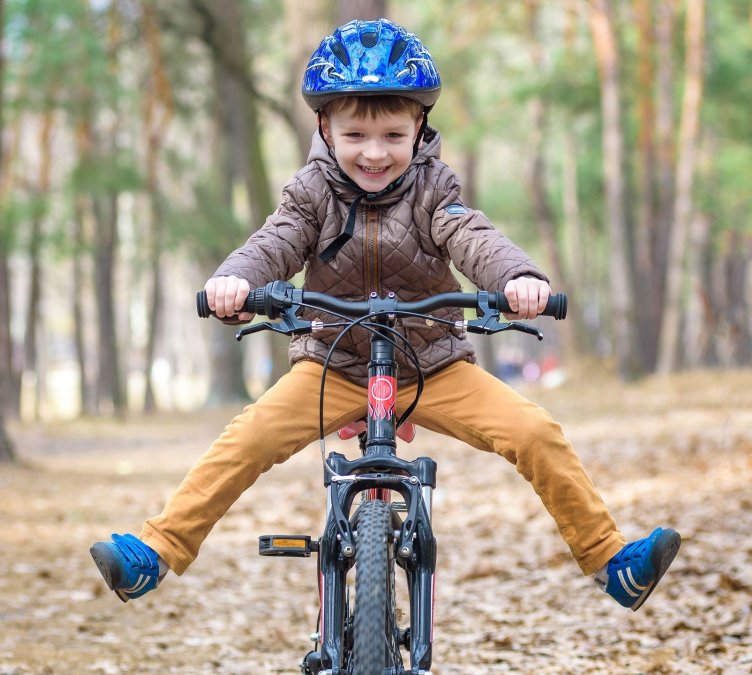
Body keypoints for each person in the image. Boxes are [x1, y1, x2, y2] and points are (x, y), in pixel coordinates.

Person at [89, 18, 679, 612]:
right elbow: (277, 241)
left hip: (433, 366)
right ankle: (156, 552)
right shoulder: (310, 193)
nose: (375, 153)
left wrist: (518, 279)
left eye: (394, 135)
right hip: (335, 364)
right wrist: (235, 281)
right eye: (356, 136)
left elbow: (472, 236)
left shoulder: (433, 188)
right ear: (325, 128)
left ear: (419, 128)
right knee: (245, 441)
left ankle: (609, 559)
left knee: (534, 431)